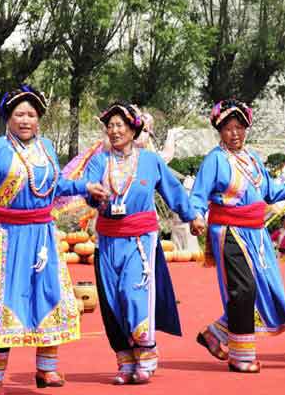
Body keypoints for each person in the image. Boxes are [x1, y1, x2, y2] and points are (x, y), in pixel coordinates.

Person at [0, 85, 103, 393]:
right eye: (18, 114)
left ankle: (47, 370)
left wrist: (86, 187)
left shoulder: (47, 148)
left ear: (39, 118)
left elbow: (57, 185)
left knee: (49, 299)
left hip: (42, 237)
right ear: (8, 118)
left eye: (30, 114)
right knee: (3, 306)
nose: (25, 120)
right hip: (6, 240)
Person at [82, 102, 202, 385]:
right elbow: (88, 188)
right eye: (110, 126)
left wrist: (193, 216)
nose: (114, 130)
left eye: (120, 125)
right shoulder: (100, 161)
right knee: (113, 301)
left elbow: (173, 191)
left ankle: (146, 355)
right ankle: (125, 361)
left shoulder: (150, 160)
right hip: (108, 240)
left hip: (140, 240)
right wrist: (93, 194)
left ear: (133, 129)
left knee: (133, 293)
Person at [190, 100, 285, 373]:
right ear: (219, 131)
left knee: (258, 289)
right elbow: (198, 194)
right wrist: (196, 215)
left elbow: (271, 191)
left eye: (240, 127)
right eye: (228, 128)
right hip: (229, 231)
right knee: (242, 288)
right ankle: (241, 355)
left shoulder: (253, 158)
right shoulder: (215, 160)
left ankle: (215, 333)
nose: (235, 133)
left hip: (257, 233)